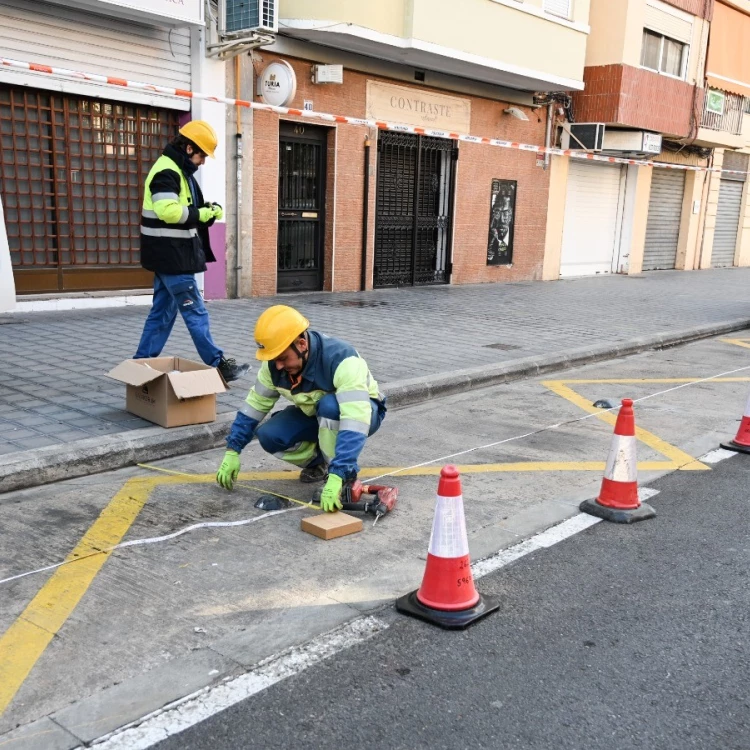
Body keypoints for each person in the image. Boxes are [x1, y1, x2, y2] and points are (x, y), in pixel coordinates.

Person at [216, 305, 387, 512]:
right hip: (316, 416)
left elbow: (355, 419)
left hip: (364, 414)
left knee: (330, 406)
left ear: (302, 344)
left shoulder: (342, 359)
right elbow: (254, 406)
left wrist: (339, 473)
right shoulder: (273, 367)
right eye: (273, 359)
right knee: (270, 435)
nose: (278, 366)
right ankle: (318, 463)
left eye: (282, 358)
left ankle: (343, 477)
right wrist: (233, 450)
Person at [134, 120, 249, 383]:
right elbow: (169, 212)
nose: (203, 162)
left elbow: (183, 206)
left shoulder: (176, 170)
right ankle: (220, 365)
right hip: (173, 258)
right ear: (188, 149)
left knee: (162, 314)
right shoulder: (167, 172)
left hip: (169, 256)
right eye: (202, 155)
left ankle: (140, 364)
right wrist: (205, 214)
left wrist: (207, 210)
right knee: (195, 311)